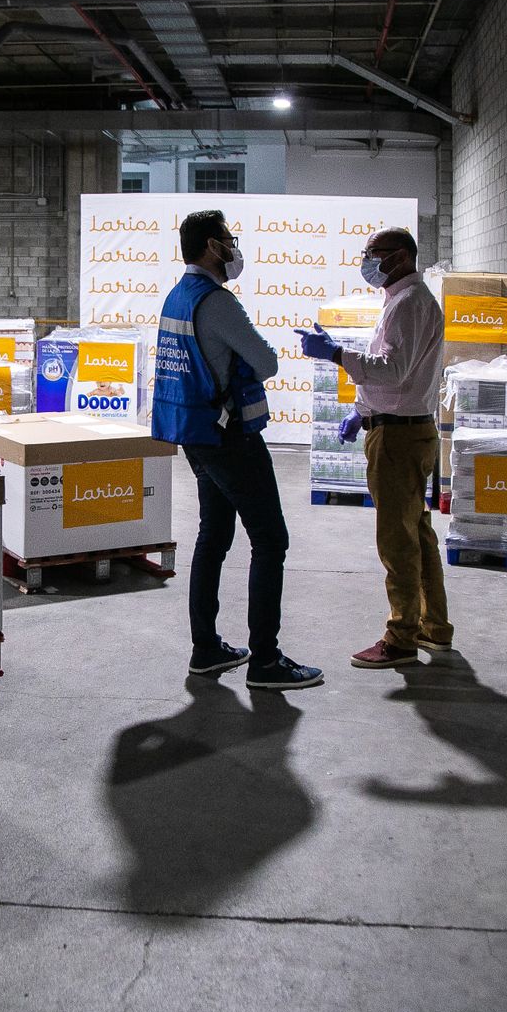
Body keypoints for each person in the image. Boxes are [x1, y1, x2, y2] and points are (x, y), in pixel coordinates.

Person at [153, 210, 324, 691]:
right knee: (271, 540)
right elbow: (265, 362)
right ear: (211, 246)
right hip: (230, 438)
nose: (233, 247)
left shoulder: (177, 297)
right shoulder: (217, 302)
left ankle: (205, 649)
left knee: (214, 536)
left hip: (197, 435)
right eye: (228, 239)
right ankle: (265, 662)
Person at [296, 227, 454, 668]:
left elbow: (394, 371)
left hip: (399, 439)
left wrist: (334, 354)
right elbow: (398, 377)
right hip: (402, 427)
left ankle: (400, 636)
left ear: (400, 256)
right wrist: (362, 412)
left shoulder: (409, 304)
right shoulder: (404, 301)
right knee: (417, 534)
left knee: (396, 541)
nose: (367, 261)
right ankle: (433, 626)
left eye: (373, 254)